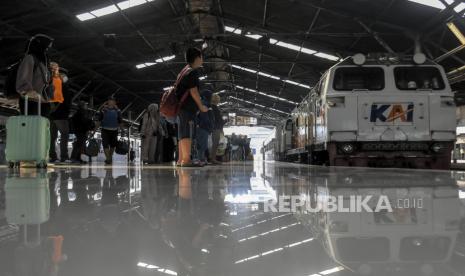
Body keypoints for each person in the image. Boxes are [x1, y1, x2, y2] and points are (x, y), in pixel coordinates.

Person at [175, 48, 208, 167]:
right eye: (201, 57)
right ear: (197, 58)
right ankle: (186, 160)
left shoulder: (183, 71)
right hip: (188, 108)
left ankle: (181, 159)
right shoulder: (192, 72)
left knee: (182, 132)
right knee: (187, 132)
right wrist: (201, 106)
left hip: (181, 108)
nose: (202, 59)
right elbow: (194, 91)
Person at [16, 34, 54, 116]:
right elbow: (23, 81)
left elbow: (47, 84)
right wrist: (32, 94)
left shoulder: (45, 65)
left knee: (42, 128)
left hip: (43, 103)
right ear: (40, 45)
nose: (47, 50)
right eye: (46, 47)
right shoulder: (30, 58)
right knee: (31, 127)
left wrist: (48, 98)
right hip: (30, 102)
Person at [49, 64, 72, 162]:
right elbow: (65, 100)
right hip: (61, 115)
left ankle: (52, 156)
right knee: (64, 135)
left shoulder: (53, 83)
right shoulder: (63, 85)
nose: (65, 77)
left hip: (51, 115)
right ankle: (64, 157)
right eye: (63, 75)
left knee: (52, 137)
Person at [97, 97, 123, 165]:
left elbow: (120, 121)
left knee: (113, 145)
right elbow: (99, 120)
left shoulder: (118, 111)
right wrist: (94, 131)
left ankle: (109, 157)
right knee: (105, 144)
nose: (111, 102)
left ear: (115, 103)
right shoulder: (103, 110)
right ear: (108, 102)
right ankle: (108, 158)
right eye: (110, 101)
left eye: (112, 101)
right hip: (105, 130)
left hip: (114, 130)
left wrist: (122, 130)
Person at [193, 90, 214, 166]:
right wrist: (207, 125)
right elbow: (204, 116)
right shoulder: (205, 103)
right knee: (202, 144)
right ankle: (199, 159)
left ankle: (201, 158)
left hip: (202, 126)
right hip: (203, 127)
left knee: (202, 144)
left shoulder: (202, 103)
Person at [209, 93, 224, 165]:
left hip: (212, 128)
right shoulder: (215, 108)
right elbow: (218, 120)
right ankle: (212, 159)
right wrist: (225, 121)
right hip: (216, 128)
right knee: (215, 143)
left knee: (212, 144)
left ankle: (211, 158)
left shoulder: (210, 107)